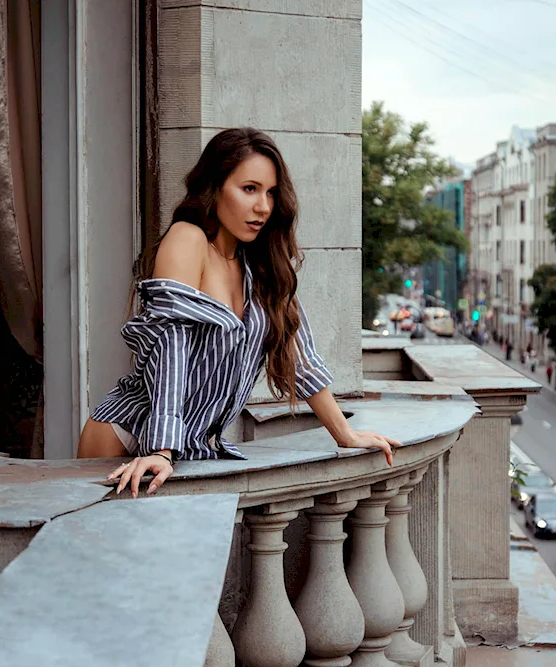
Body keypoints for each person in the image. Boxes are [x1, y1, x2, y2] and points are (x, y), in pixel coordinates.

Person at [76, 128, 401, 498]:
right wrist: (161, 449)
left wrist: (344, 432)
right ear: (215, 187)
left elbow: (300, 355)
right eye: (249, 189)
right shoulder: (188, 239)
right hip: (128, 434)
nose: (263, 206)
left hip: (188, 449)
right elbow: (170, 345)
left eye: (271, 193)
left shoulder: (262, 266)